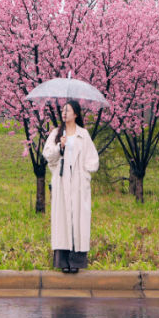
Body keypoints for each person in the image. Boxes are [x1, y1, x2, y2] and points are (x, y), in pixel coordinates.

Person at [42, 100, 100, 273]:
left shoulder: (84, 134)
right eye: (63, 110)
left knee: (78, 219)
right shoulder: (56, 133)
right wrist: (60, 146)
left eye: (68, 110)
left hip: (79, 182)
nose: (64, 113)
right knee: (62, 219)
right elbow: (47, 155)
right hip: (61, 181)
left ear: (76, 114)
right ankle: (63, 262)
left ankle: (76, 262)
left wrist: (85, 176)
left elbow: (93, 159)